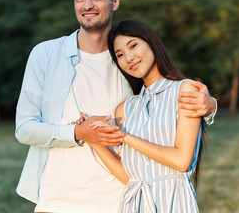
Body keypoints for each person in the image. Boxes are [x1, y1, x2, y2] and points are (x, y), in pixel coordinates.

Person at [15, 0, 217, 212]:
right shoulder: (45, 55)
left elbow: (162, 107)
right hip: (58, 198)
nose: (87, 5)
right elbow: (24, 128)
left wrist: (211, 106)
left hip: (120, 199)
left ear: (115, 2)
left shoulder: (130, 66)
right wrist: (78, 132)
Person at [84, 18, 208, 212]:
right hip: (135, 205)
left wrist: (125, 137)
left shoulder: (185, 89)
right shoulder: (124, 109)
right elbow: (131, 177)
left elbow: (181, 161)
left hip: (174, 203)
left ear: (151, 43)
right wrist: (95, 141)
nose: (129, 57)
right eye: (120, 55)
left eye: (133, 45)